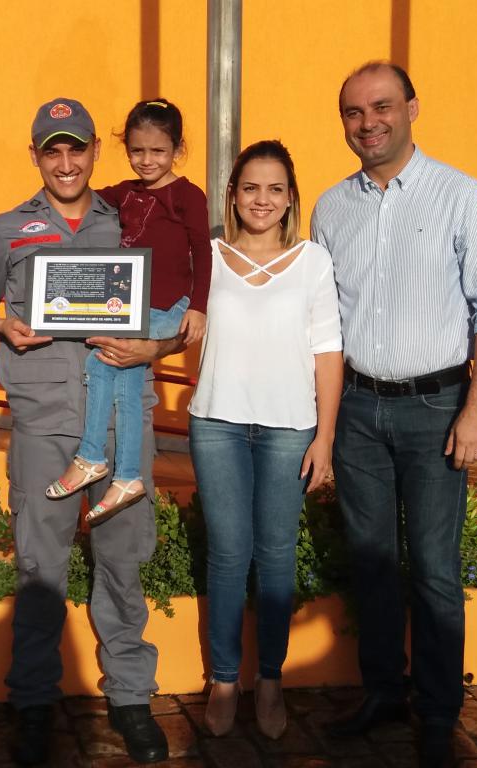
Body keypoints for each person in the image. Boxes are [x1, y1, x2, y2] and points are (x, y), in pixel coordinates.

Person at [0, 97, 181, 766]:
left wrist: (156, 349)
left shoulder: (131, 220)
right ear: (35, 155)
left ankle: (131, 698)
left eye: (75, 148)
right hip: (44, 423)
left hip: (120, 426)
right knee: (39, 571)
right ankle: (32, 703)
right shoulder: (7, 228)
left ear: (93, 152)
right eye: (51, 150)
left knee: (122, 566)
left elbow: (179, 309)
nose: (65, 162)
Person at [311, 61, 477, 767]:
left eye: (382, 107)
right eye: (353, 112)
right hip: (358, 409)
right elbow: (323, 322)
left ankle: (437, 709)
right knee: (370, 563)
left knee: (432, 567)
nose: (368, 123)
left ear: (412, 108)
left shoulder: (461, 195)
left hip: (437, 408)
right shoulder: (331, 208)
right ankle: (382, 693)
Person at [188, 140, 343, 739]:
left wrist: (324, 437)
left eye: (275, 189)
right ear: (232, 195)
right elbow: (177, 321)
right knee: (229, 556)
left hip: (289, 428)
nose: (262, 199)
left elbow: (327, 351)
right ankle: (226, 679)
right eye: (250, 187)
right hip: (217, 424)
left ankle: (271, 679)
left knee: (277, 556)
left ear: (290, 197)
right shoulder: (209, 255)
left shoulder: (313, 261)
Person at [45, 98, 211, 525]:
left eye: (158, 151)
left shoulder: (188, 196)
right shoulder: (125, 193)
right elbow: (80, 197)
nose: (147, 160)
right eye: (137, 150)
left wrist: (198, 308)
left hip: (167, 306)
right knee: (121, 382)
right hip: (132, 305)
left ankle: (97, 460)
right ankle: (122, 474)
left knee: (107, 367)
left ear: (178, 149)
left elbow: (203, 252)